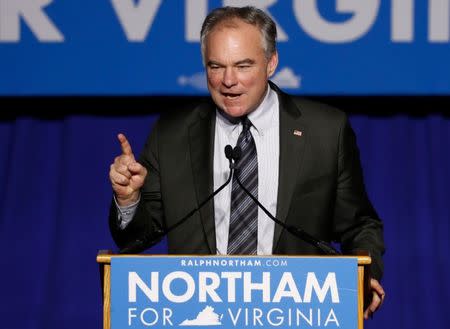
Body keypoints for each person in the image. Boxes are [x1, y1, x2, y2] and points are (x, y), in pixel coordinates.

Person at [108, 6, 385, 319]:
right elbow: (135, 240)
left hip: (296, 316)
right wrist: (129, 200)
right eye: (216, 66)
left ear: (271, 63)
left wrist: (366, 272)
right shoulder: (172, 134)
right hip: (198, 317)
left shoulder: (325, 131)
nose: (228, 80)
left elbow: (359, 224)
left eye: (242, 65)